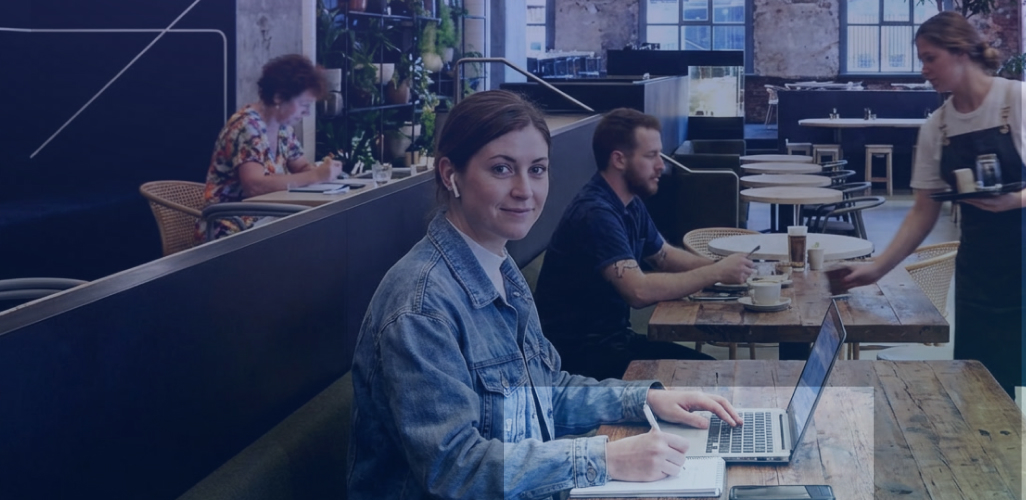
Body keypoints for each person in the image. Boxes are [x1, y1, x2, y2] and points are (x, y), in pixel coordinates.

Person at [348, 91, 742, 499]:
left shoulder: (502, 271)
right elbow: (454, 469)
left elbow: (546, 392)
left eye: (537, 169)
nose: (525, 189)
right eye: (502, 169)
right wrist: (607, 459)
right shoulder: (421, 305)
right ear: (451, 175)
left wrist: (647, 399)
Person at [832, 11, 1026, 493]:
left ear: (960, 52)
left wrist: (1012, 200)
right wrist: (876, 268)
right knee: (987, 403)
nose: (924, 69)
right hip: (979, 279)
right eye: (921, 60)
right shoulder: (938, 127)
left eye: (930, 58)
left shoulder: (1024, 101)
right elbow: (922, 212)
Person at [533, 108, 755, 380]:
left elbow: (664, 256)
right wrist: (717, 273)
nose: (661, 164)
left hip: (614, 344)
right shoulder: (596, 213)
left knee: (713, 373)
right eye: (651, 156)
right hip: (579, 359)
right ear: (619, 159)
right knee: (713, 376)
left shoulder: (629, 203)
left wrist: (727, 270)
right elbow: (637, 291)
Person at [199, 54, 341, 240]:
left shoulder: (283, 128)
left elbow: (302, 167)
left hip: (265, 220)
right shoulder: (247, 126)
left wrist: (320, 171)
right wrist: (316, 176)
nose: (306, 113)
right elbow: (254, 186)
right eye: (303, 105)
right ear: (278, 97)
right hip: (230, 227)